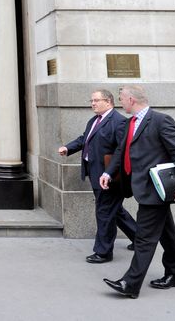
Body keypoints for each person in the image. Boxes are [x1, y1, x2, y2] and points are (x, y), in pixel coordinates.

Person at [99, 84, 175, 299]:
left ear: (131, 100)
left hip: (156, 189)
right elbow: (120, 151)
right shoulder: (129, 123)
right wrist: (108, 173)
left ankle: (130, 283)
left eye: (121, 98)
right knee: (167, 233)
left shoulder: (161, 121)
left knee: (144, 238)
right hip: (140, 187)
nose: (120, 102)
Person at [58, 89, 136, 263]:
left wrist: (109, 173)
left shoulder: (118, 122)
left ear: (108, 102)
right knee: (113, 211)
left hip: (109, 177)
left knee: (105, 212)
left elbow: (121, 151)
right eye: (91, 100)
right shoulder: (95, 120)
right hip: (95, 173)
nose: (92, 103)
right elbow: (84, 139)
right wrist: (68, 148)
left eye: (96, 100)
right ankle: (138, 238)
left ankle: (103, 252)